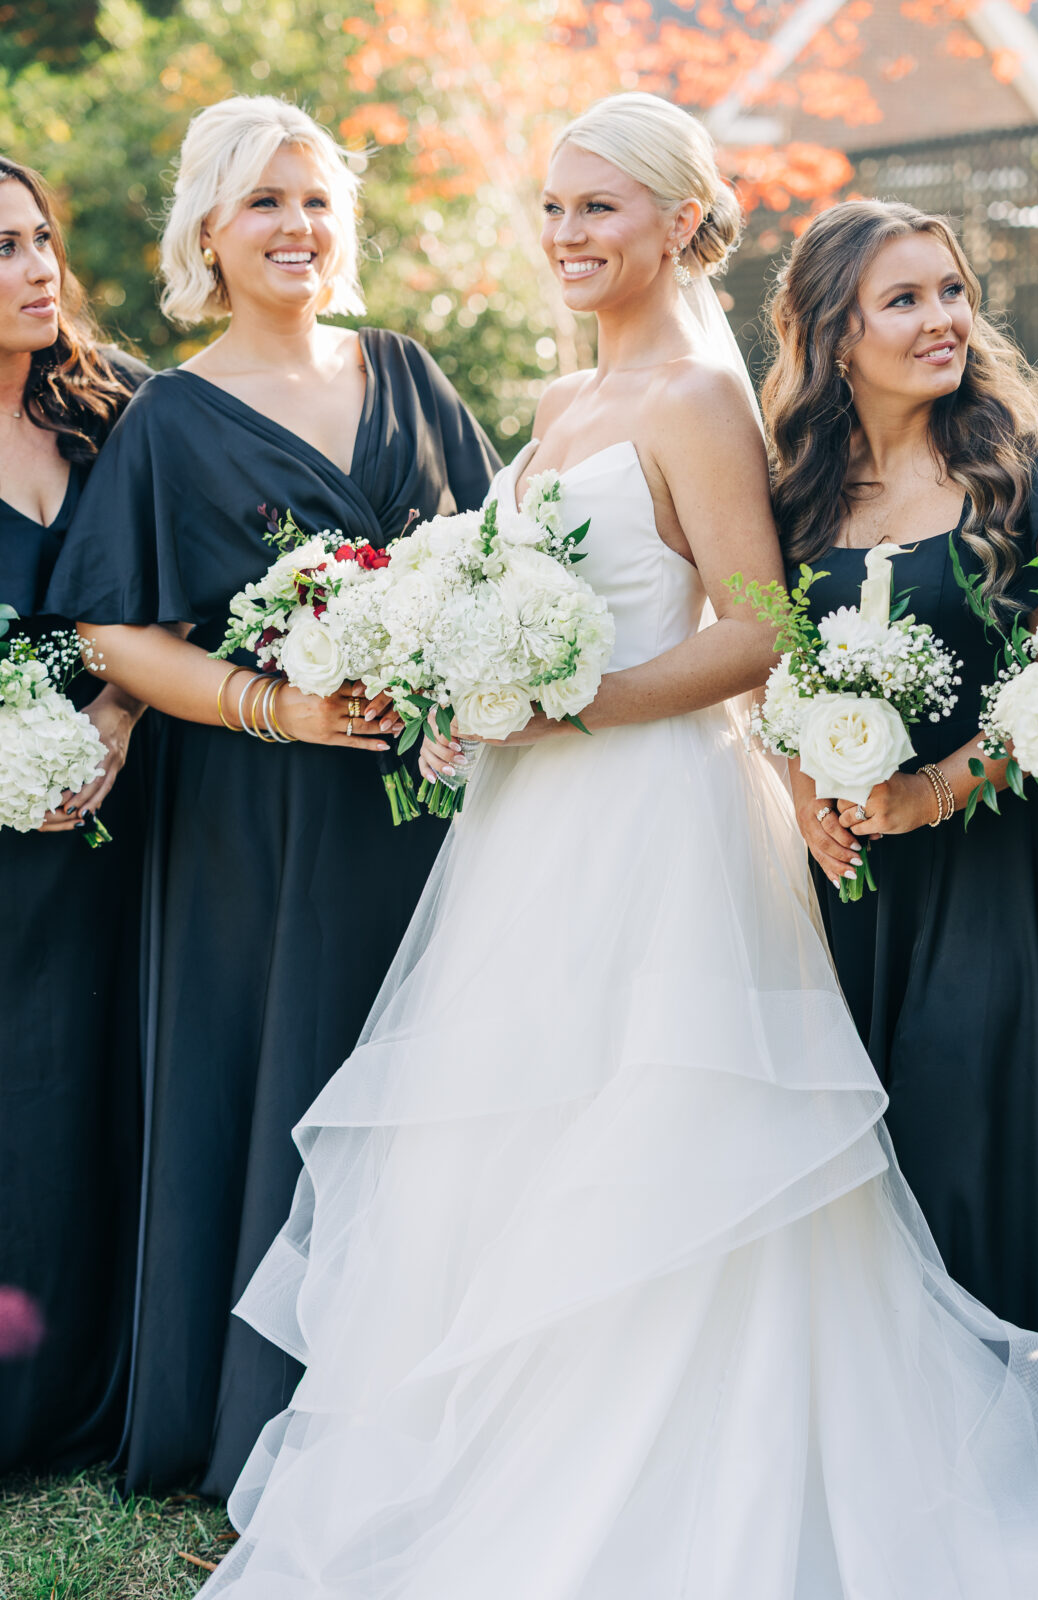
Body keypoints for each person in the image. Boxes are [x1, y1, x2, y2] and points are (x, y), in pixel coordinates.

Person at [201, 96, 1038, 1598]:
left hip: (658, 819)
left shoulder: (693, 396)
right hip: (530, 829)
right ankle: (501, 1445)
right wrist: (456, 678)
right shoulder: (552, 411)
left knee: (657, 1128)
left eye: (597, 207)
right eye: (549, 209)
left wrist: (574, 700)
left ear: (679, 219)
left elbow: (755, 633)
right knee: (523, 1132)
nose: (564, 237)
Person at [43, 96, 498, 1497]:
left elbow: (497, 556)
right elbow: (115, 632)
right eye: (263, 204)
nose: (295, 227)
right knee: (285, 1079)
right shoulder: (170, 418)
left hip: (428, 810)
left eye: (313, 201)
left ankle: (440, 1409)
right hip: (256, 822)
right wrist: (277, 704)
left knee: (434, 1083)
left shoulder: (412, 377)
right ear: (208, 234)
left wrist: (466, 691)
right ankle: (268, 1415)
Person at [767, 199, 1038, 1346]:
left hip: (999, 866)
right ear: (834, 336)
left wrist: (934, 789)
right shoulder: (790, 495)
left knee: (972, 1119)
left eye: (949, 291)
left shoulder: (1029, 475)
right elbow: (762, 666)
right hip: (846, 891)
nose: (942, 319)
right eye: (903, 299)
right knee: (870, 1142)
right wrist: (800, 777)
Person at [0, 157, 149, 1471]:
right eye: (4, 249)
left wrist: (115, 716)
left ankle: (108, 1381)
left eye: (42, 238)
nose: (40, 267)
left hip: (130, 826)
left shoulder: (116, 418)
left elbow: (191, 594)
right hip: (5, 857)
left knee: (109, 1091)